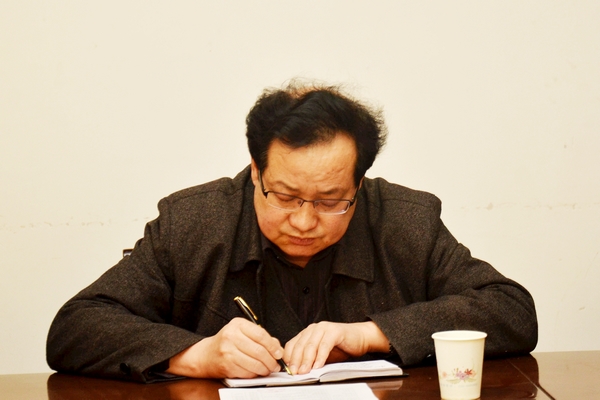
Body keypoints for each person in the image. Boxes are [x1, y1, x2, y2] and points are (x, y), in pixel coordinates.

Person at [46, 82, 538, 383]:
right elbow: (75, 328)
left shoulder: (405, 221)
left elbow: (511, 310)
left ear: (359, 184)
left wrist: (370, 334)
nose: (304, 221)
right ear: (255, 173)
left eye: (330, 201)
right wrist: (197, 356)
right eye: (284, 196)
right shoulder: (192, 223)